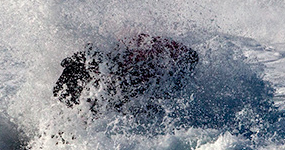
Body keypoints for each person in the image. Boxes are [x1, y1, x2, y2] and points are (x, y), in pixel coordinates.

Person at [53, 33, 199, 112]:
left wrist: (176, 83)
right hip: (115, 75)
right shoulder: (110, 58)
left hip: (136, 82)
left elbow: (192, 56)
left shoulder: (151, 49)